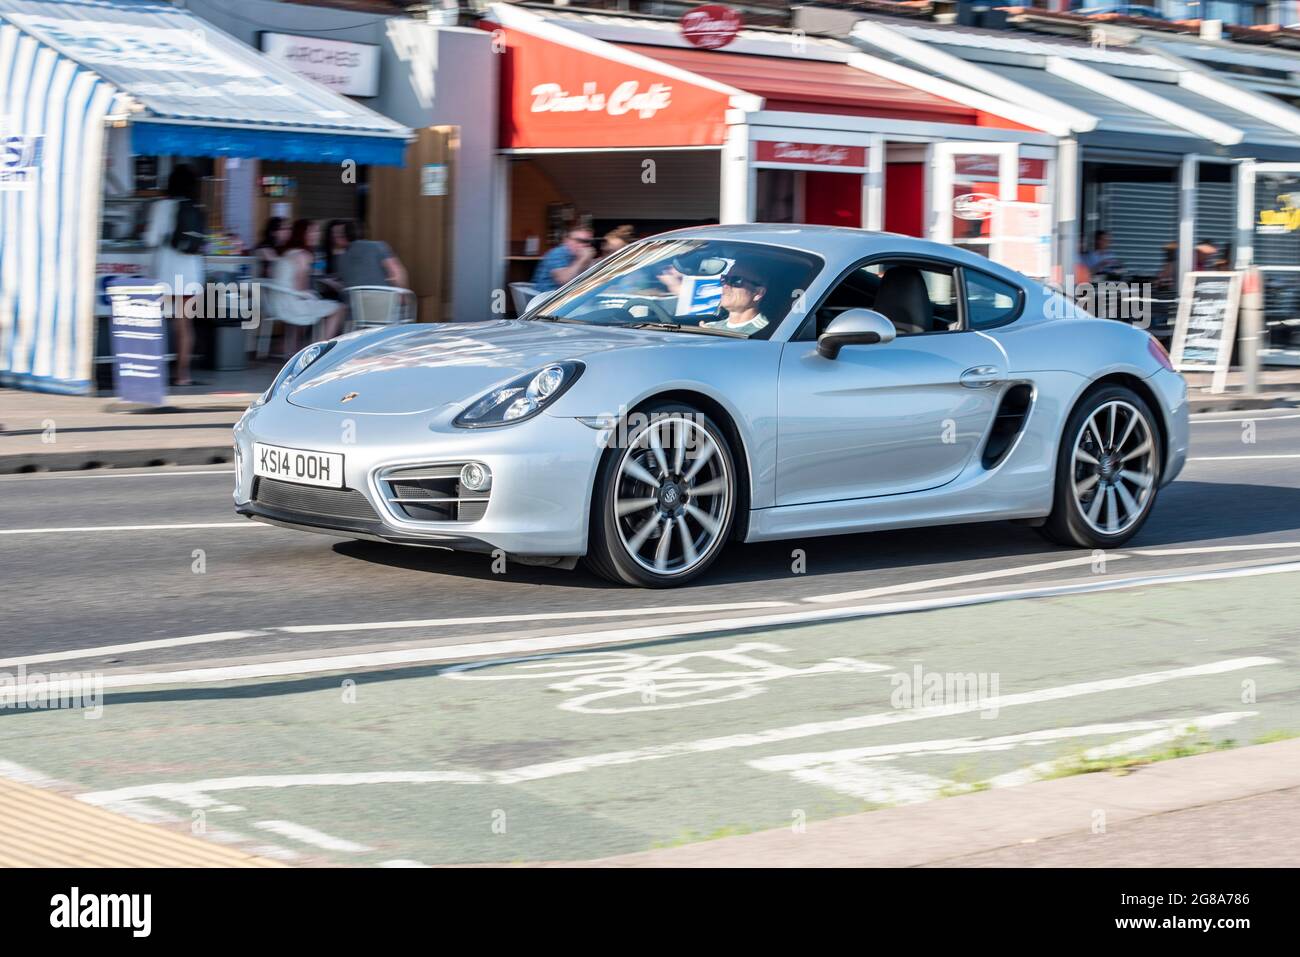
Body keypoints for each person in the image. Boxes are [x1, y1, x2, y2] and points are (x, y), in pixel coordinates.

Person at [144, 164, 205, 386]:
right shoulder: (196, 208)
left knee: (156, 323)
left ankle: (152, 371)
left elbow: (150, 239)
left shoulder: (162, 207)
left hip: (166, 275)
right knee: (184, 326)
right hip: (191, 277)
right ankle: (183, 375)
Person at [270, 219, 345, 351]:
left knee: (317, 301)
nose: (317, 234)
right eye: (312, 232)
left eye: (317, 231)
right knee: (339, 308)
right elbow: (301, 288)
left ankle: (295, 347)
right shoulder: (304, 255)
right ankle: (320, 349)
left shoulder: (287, 252)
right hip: (292, 305)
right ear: (302, 234)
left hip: (277, 304)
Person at [331, 220, 408, 291]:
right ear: (366, 232)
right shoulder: (378, 246)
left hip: (355, 304)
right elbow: (397, 273)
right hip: (384, 302)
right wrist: (402, 295)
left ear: (346, 236)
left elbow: (345, 284)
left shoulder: (341, 258)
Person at [702, 267, 769, 336]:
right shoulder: (710, 327)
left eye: (736, 280)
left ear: (758, 293)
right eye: (724, 279)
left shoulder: (766, 333)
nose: (725, 285)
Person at [533, 227, 595, 293]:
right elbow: (564, 280)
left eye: (588, 242)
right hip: (548, 297)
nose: (585, 245)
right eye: (580, 241)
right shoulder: (558, 253)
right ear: (567, 241)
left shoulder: (577, 255)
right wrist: (582, 259)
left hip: (569, 295)